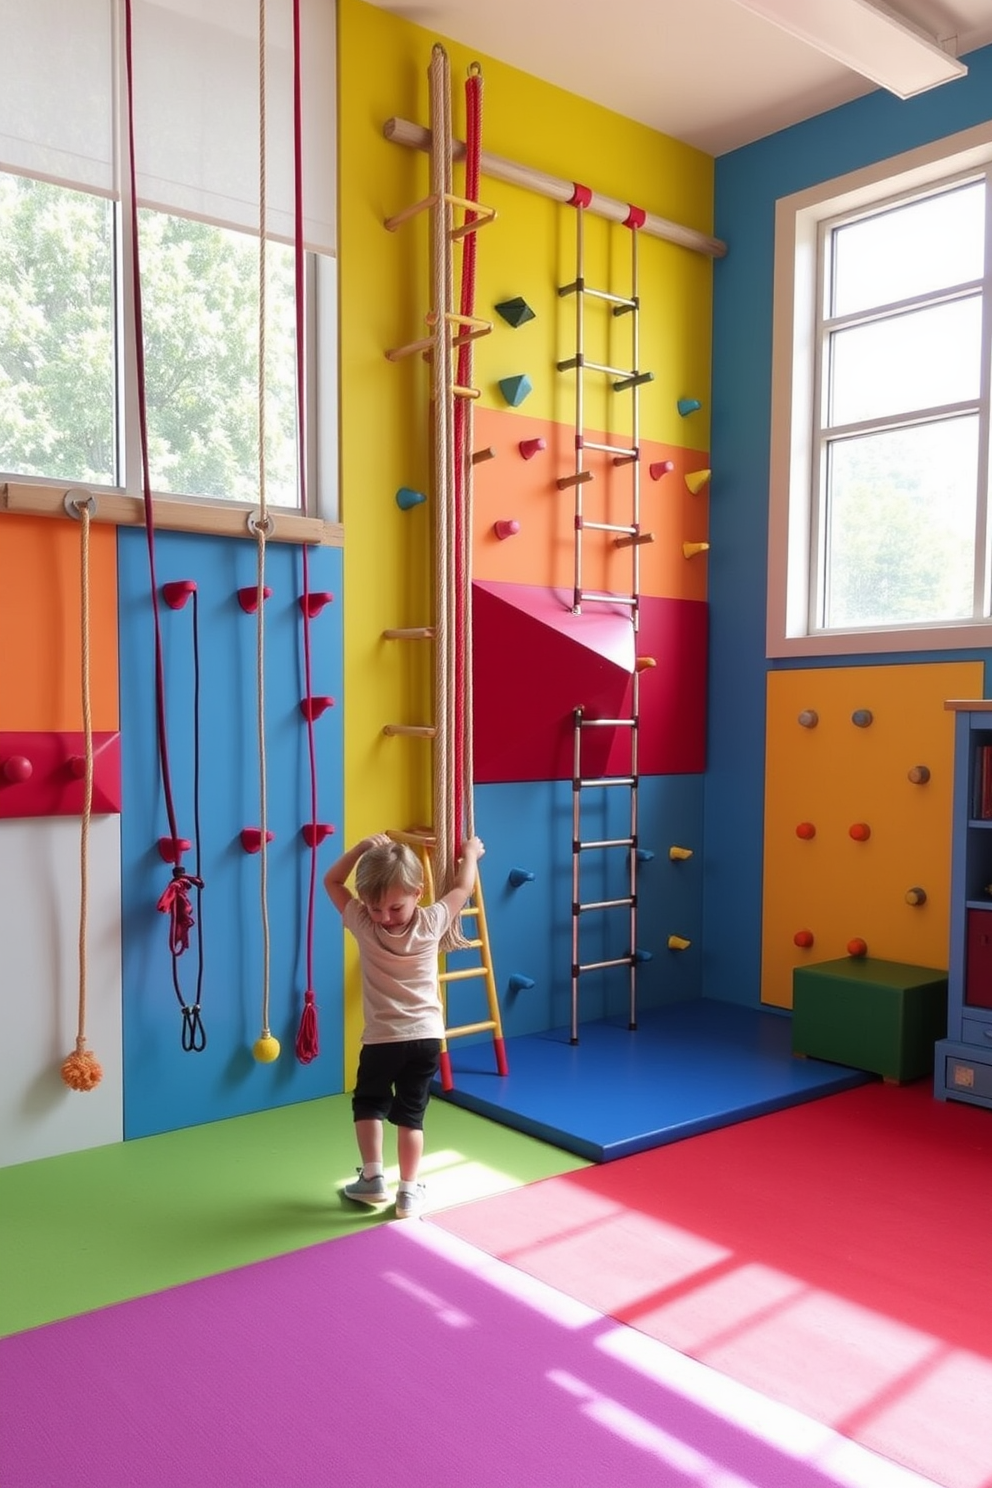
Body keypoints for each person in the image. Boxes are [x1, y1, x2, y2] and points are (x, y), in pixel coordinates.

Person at [324, 830, 485, 1219]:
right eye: (376, 909)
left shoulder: (362, 925)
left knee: (369, 1105)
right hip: (426, 1039)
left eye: (394, 908)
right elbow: (463, 887)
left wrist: (362, 847)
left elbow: (331, 881)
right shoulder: (430, 921)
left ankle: (373, 1179)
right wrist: (470, 855)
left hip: (382, 1040)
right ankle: (407, 1191)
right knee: (410, 1115)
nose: (384, 918)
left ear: (418, 890)